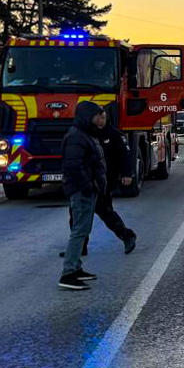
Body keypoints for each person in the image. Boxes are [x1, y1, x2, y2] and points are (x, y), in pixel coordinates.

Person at [57, 112, 137, 258]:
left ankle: (127, 236)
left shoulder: (114, 135)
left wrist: (126, 174)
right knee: (76, 216)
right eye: (98, 118)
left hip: (104, 181)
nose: (100, 121)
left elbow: (124, 155)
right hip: (87, 182)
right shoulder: (88, 134)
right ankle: (80, 247)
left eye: (103, 118)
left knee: (106, 213)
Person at [58, 101, 108, 290]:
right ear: (88, 116)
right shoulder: (76, 137)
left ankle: (76, 268)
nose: (100, 119)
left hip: (88, 190)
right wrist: (88, 186)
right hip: (81, 191)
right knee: (79, 231)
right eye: (98, 115)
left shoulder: (87, 134)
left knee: (83, 230)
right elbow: (73, 166)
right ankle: (68, 273)